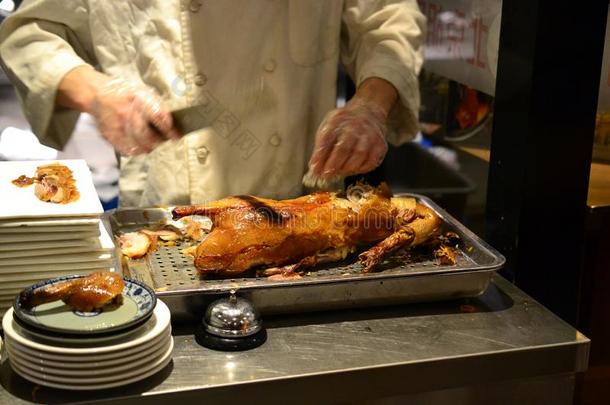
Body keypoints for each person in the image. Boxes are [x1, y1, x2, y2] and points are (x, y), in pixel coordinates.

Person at [0, 0, 425, 207]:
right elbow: (28, 34)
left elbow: (388, 20)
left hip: (302, 209)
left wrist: (371, 104)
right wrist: (96, 92)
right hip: (166, 216)